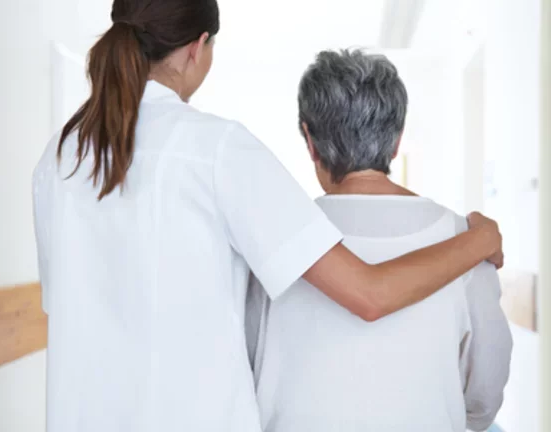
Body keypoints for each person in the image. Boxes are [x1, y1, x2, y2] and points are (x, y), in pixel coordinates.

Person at [32, 1, 503, 431]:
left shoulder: (56, 161)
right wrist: (480, 239)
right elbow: (369, 294)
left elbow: (69, 306)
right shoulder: (215, 150)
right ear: (198, 48)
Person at [246, 49, 513, 432]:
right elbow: (486, 388)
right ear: (397, 139)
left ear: (310, 139)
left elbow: (245, 365)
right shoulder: (466, 240)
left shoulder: (274, 237)